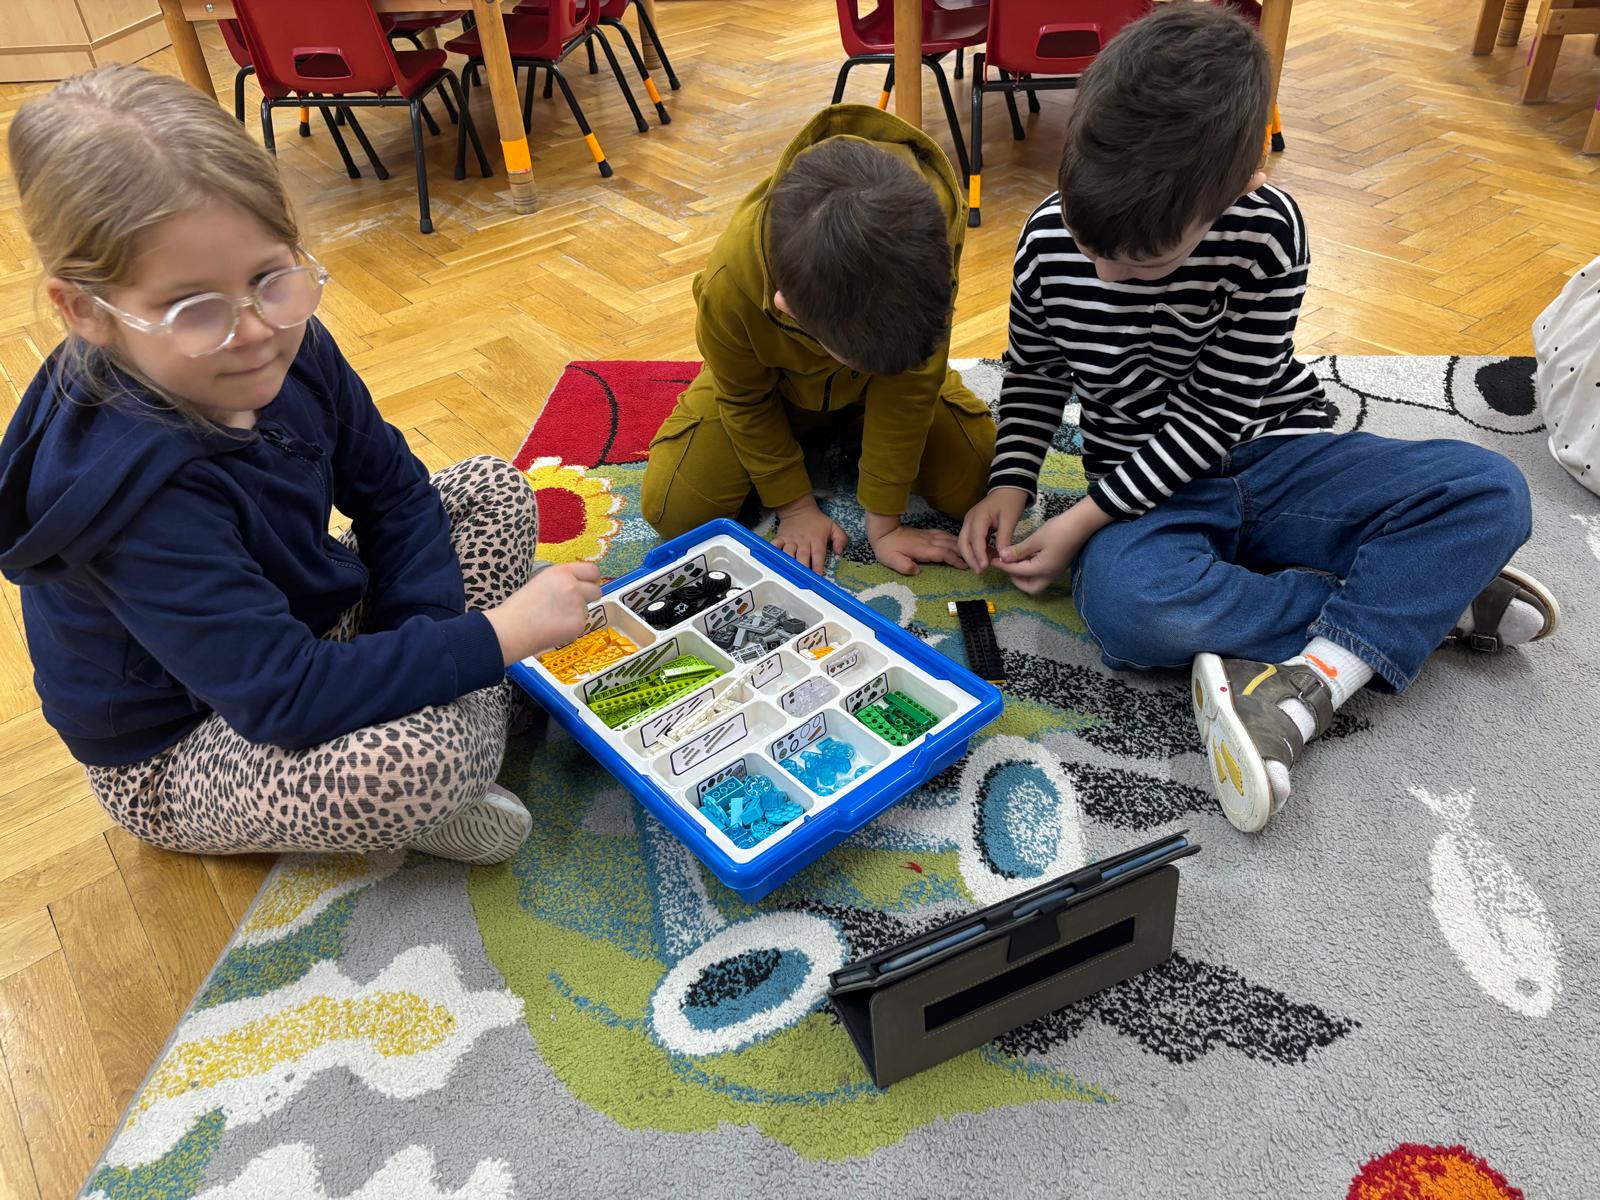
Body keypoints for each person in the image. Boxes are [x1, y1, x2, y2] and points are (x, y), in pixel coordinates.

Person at [958, 5, 1559, 834]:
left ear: (1241, 186)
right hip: (1148, 493)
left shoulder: (1269, 230)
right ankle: (1418, 604)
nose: (1106, 275)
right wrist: (1011, 480)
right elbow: (1034, 374)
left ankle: (1333, 658)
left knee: (1492, 489)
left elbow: (1216, 413)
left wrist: (1082, 520)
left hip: (1271, 454)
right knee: (1128, 608)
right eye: (1090, 245)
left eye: (1145, 262)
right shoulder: (1045, 241)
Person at [0, 65, 601, 865]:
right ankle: (462, 752)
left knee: (491, 489)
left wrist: (429, 647)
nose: (255, 330)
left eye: (269, 278)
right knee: (409, 765)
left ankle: (462, 705)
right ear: (85, 310)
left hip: (302, 623)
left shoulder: (285, 339)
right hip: (186, 746)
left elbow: (395, 492)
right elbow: (283, 697)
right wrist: (493, 640)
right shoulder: (134, 497)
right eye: (194, 309)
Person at [641, 104, 996, 577]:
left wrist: (884, 522)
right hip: (774, 394)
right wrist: (794, 507)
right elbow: (746, 400)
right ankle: (825, 442)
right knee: (674, 510)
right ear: (788, 308)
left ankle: (857, 431)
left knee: (983, 482)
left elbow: (910, 378)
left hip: (882, 384)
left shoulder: (928, 222)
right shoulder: (732, 280)